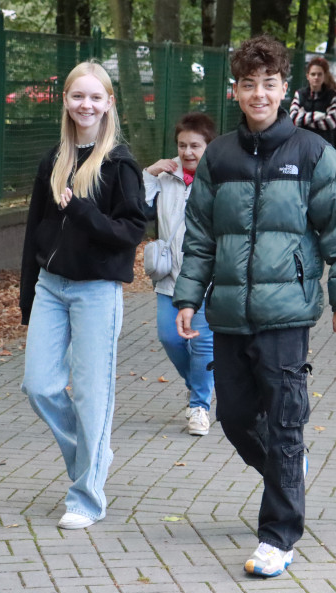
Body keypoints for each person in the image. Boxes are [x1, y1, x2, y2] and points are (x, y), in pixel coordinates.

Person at [173, 35, 336, 578]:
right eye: (249, 84)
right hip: (229, 312)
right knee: (234, 417)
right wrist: (188, 296)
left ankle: (277, 537)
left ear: (285, 89)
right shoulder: (219, 156)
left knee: (284, 423)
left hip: (287, 314)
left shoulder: (312, 154)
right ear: (235, 91)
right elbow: (200, 238)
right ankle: (289, 471)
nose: (259, 93)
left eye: (270, 84)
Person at [19, 61, 146, 531]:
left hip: (97, 291)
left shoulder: (120, 164)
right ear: (66, 101)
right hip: (51, 287)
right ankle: (94, 457)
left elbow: (131, 232)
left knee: (93, 395)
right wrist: (27, 297)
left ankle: (87, 497)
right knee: (39, 385)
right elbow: (34, 229)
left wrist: (88, 212)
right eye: (78, 96)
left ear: (109, 103)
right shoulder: (53, 159)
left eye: (95, 97)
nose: (85, 105)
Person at [143, 112, 217, 436]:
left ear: (208, 147)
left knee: (202, 343)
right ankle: (198, 385)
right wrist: (148, 174)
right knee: (169, 337)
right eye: (182, 145)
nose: (188, 152)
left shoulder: (219, 178)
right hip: (169, 276)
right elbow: (137, 208)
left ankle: (200, 405)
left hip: (205, 278)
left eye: (195, 146)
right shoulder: (166, 176)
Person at [289, 57, 336, 147]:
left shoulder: (331, 96)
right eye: (313, 74)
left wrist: (304, 119)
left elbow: (331, 122)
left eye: (319, 74)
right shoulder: (299, 94)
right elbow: (293, 119)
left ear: (324, 76)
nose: (316, 77)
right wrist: (319, 115)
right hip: (302, 145)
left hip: (324, 146)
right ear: (307, 76)